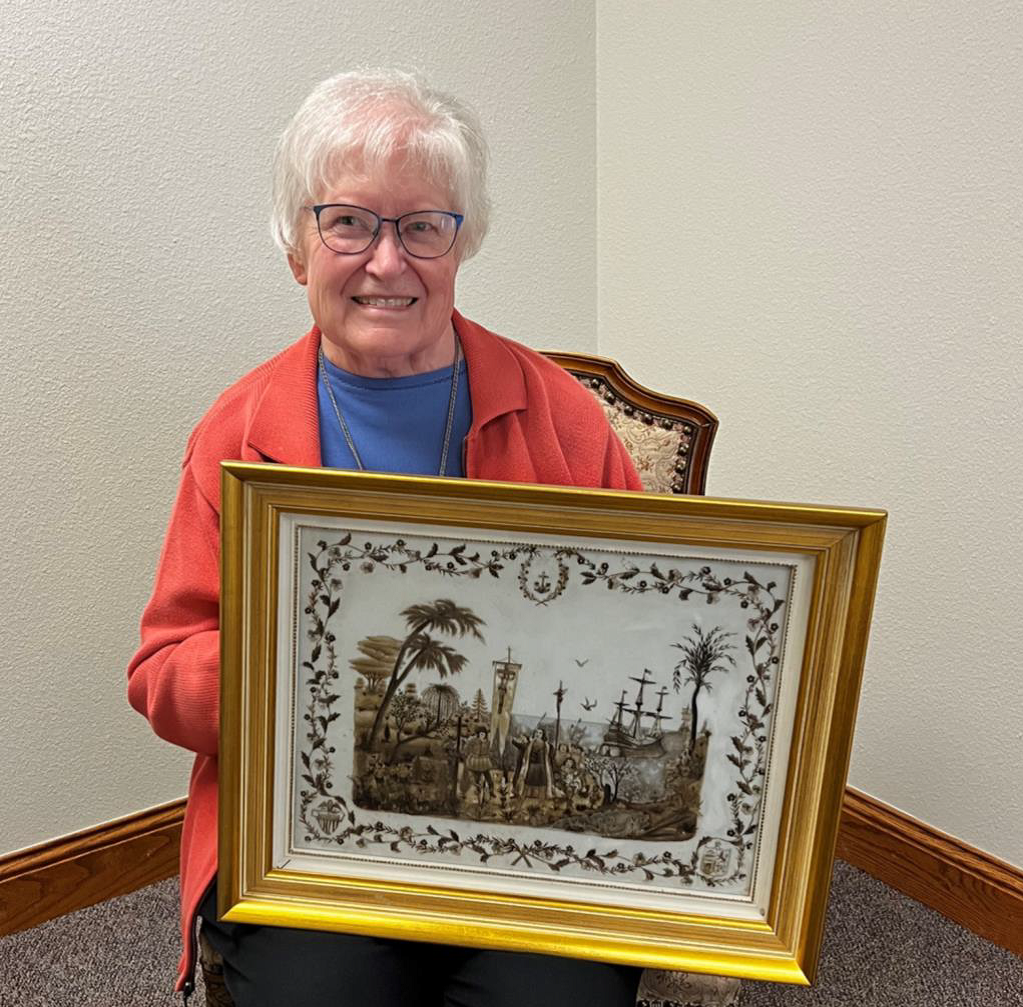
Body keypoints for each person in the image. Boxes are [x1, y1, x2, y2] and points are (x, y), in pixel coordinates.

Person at [127, 68, 643, 1007]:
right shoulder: (235, 433)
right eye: (350, 222)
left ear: (462, 242)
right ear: (298, 247)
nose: (387, 260)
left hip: (530, 843)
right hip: (301, 843)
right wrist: (291, 681)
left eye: (423, 225)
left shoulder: (563, 418)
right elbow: (162, 672)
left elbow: (635, 621)